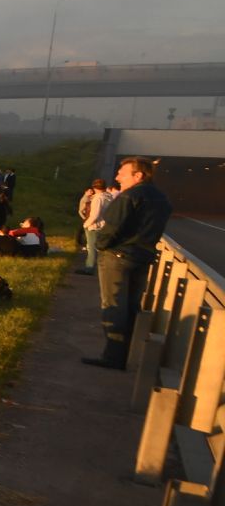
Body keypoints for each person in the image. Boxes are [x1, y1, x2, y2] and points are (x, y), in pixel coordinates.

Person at [85, 156, 174, 369]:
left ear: (138, 175)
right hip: (143, 258)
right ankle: (128, 355)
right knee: (132, 307)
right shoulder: (162, 198)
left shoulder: (129, 196)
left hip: (117, 258)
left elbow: (112, 227)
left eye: (122, 173)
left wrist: (101, 246)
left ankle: (113, 356)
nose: (117, 177)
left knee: (114, 305)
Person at [78, 178, 113, 274]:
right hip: (104, 225)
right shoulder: (109, 197)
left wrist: (86, 224)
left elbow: (95, 215)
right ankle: (99, 268)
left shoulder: (98, 198)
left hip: (94, 226)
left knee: (91, 248)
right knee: (100, 248)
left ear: (94, 187)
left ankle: (89, 267)